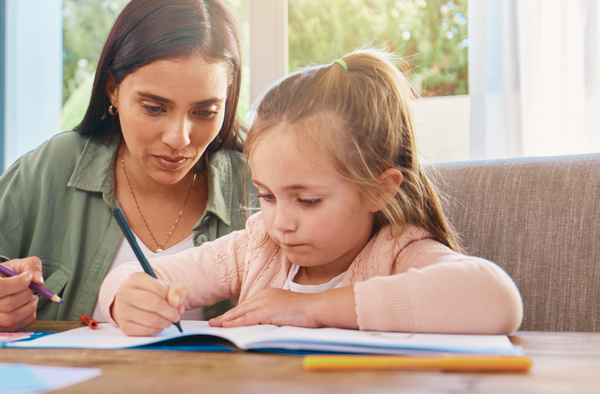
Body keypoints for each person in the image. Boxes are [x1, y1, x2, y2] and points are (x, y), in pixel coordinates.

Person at [0, 0, 255, 331]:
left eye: (204, 112)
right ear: (113, 91)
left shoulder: (257, 186)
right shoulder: (56, 167)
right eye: (155, 108)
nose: (179, 138)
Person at [98, 50, 524, 336]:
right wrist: (127, 297)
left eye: (307, 200)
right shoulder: (258, 248)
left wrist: (310, 309)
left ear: (379, 190)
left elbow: (497, 298)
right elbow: (144, 275)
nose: (281, 221)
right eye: (266, 196)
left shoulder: (395, 251)